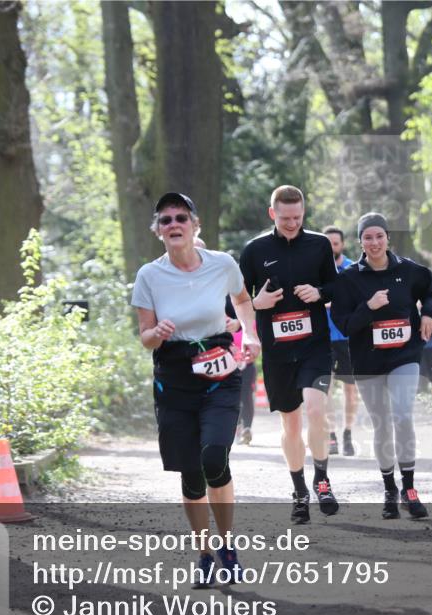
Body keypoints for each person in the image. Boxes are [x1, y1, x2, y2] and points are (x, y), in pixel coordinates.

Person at [131, 192, 260, 586]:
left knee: (214, 457)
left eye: (181, 218)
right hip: (174, 375)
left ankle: (227, 547)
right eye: (166, 219)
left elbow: (242, 300)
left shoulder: (222, 264)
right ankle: (204, 553)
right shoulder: (149, 275)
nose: (174, 224)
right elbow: (145, 337)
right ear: (158, 230)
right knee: (191, 474)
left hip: (219, 370)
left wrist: (250, 334)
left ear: (195, 225)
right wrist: (157, 332)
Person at [331, 212, 432, 520]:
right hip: (367, 361)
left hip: (404, 356)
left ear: (387, 238)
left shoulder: (409, 271)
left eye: (379, 236)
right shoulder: (348, 279)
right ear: (360, 242)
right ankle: (389, 489)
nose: (375, 242)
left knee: (403, 416)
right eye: (368, 237)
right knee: (381, 423)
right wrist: (368, 307)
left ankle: (409, 488)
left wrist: (429, 314)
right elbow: (344, 324)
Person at [239, 185, 339, 524]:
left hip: (315, 346)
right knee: (291, 423)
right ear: (273, 214)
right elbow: (236, 299)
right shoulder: (255, 250)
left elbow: (336, 286)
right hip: (278, 352)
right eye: (286, 219)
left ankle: (322, 480)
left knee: (316, 409)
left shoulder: (319, 244)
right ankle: (299, 492)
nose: (293, 223)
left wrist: (320, 292)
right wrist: (257, 303)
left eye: (298, 217)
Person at [322, 225, 358, 456]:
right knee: (324, 389)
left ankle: (348, 433)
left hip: (348, 338)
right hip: (322, 338)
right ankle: (331, 435)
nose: (331, 248)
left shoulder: (353, 270)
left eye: (335, 243)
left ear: (342, 245)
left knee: (350, 391)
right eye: (327, 244)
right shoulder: (315, 270)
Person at [225, 296, 256, 445]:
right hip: (226, 365)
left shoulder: (249, 321)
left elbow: (256, 341)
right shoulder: (221, 319)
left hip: (246, 365)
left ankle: (247, 428)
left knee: (246, 396)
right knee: (232, 397)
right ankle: (235, 427)